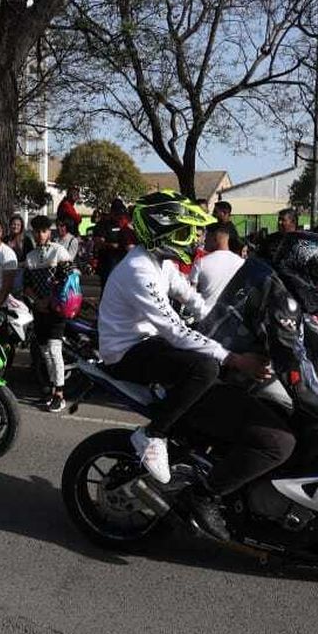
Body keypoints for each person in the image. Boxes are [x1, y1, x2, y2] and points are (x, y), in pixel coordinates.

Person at [188, 231, 318, 540]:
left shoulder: (268, 277)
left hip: (223, 371)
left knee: (303, 415)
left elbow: (314, 337)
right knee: (279, 442)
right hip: (212, 383)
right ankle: (205, 493)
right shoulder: (280, 299)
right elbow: (296, 373)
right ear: (299, 271)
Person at [97, 191, 228, 486]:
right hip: (127, 353)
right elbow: (175, 331)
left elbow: (192, 298)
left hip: (150, 344)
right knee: (206, 368)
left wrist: (224, 322)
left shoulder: (161, 263)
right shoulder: (138, 269)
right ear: (160, 231)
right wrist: (230, 355)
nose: (192, 238)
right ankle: (154, 434)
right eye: (183, 231)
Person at [22, 215, 74, 412]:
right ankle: (52, 390)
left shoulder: (59, 251)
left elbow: (70, 279)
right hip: (39, 310)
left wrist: (50, 301)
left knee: (54, 351)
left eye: (44, 231)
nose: (40, 234)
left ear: (49, 232)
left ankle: (60, 394)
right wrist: (37, 302)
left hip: (56, 309)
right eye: (36, 231)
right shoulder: (31, 257)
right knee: (44, 353)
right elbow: (26, 286)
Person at [188, 222, 245, 305]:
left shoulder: (201, 263)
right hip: (230, 315)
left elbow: (189, 294)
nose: (205, 240)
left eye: (207, 236)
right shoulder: (242, 263)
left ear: (215, 238)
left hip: (206, 315)